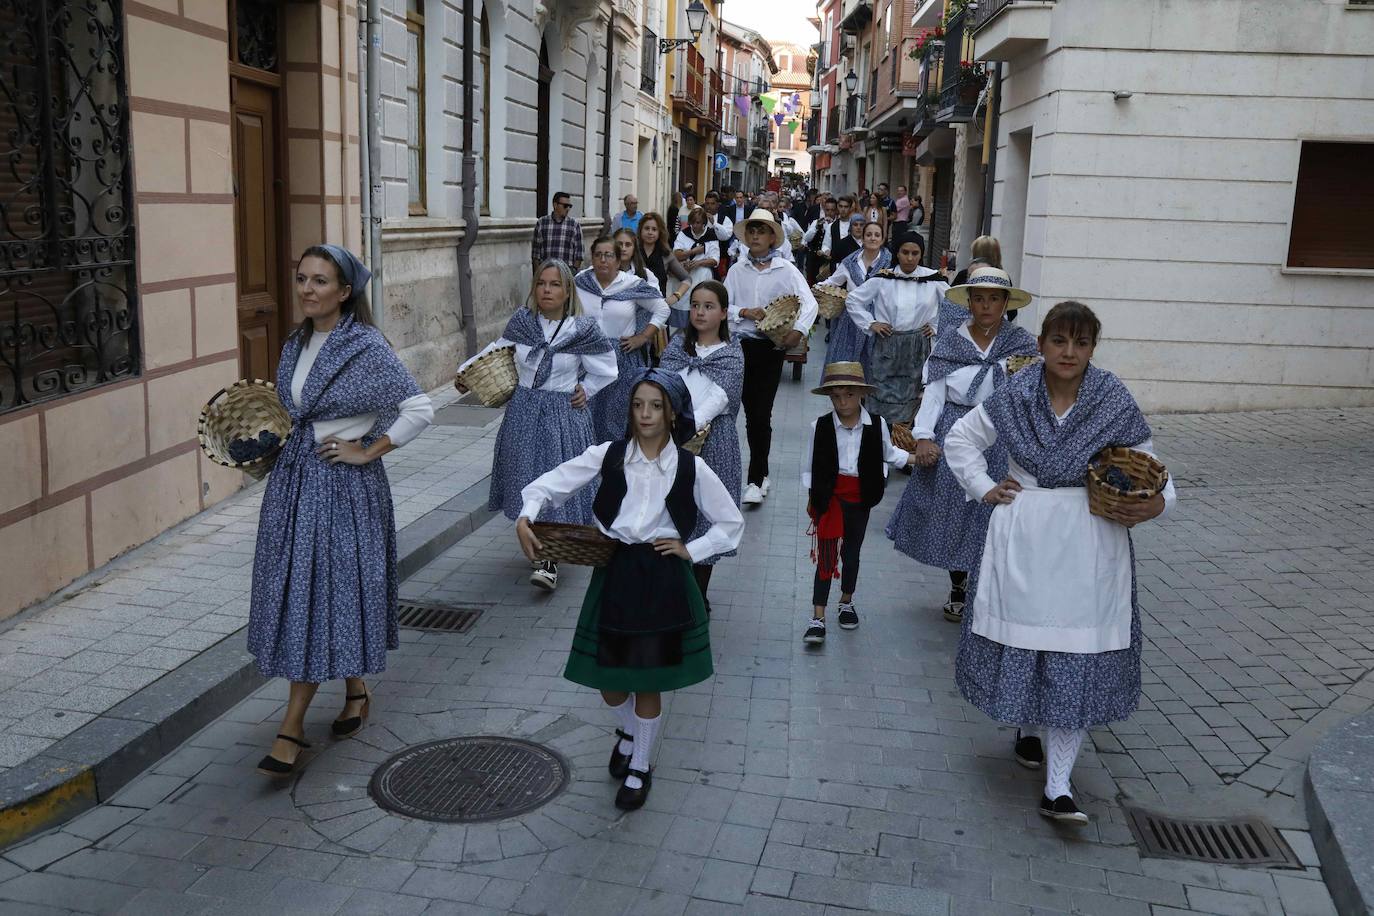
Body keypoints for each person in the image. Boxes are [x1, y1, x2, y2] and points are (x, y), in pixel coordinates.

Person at [944, 300, 1176, 824]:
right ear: (1041, 344)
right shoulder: (1018, 392)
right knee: (1029, 640)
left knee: (1076, 650)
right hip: (1026, 531)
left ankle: (1059, 785)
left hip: (1089, 537)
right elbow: (961, 439)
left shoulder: (1111, 397)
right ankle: (1028, 728)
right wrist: (983, 487)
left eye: (1081, 342)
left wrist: (1157, 504)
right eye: (1059, 341)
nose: (1069, 352)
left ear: (1093, 348)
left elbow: (1155, 469)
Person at [516, 370, 745, 810]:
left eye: (656, 406)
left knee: (647, 681)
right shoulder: (609, 454)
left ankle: (640, 764)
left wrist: (691, 550)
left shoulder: (691, 467)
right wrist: (527, 513)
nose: (645, 414)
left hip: (663, 576)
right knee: (610, 682)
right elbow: (552, 482)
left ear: (672, 413)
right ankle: (628, 731)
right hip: (616, 572)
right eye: (638, 404)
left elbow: (730, 523)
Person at [248, 245, 434, 776]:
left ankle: (290, 729)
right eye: (302, 278)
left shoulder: (365, 346)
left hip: (343, 490)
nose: (307, 289)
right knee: (316, 592)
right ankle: (355, 689)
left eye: (320, 281)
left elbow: (419, 408)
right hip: (294, 486)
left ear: (345, 291)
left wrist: (369, 450)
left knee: (317, 595)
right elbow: (292, 414)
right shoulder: (295, 343)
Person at [885, 267, 1037, 623]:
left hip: (1001, 435)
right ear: (969, 302)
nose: (986, 306)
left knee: (995, 510)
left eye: (994, 299)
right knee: (957, 510)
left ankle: (987, 586)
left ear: (1006, 303)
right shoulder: (951, 342)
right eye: (979, 299)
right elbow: (935, 392)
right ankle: (958, 584)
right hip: (956, 433)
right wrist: (924, 436)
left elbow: (1033, 395)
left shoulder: (1022, 345)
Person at [458, 260, 617, 592]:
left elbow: (607, 368)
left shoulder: (582, 329)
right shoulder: (523, 322)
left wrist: (586, 390)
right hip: (524, 412)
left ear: (567, 291)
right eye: (542, 283)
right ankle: (538, 542)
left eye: (555, 284)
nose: (546, 290)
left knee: (556, 478)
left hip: (562, 415)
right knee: (527, 477)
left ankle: (548, 560)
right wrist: (465, 373)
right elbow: (497, 350)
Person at [801, 362, 916, 646]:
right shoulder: (821, 426)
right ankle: (817, 616)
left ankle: (846, 601)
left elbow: (890, 454)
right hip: (830, 498)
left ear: (861, 394)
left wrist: (916, 459)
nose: (843, 402)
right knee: (826, 557)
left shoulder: (877, 425)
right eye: (836, 396)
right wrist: (813, 499)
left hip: (861, 498)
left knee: (851, 554)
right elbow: (810, 466)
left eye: (849, 395)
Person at [658, 281, 744, 614]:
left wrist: (687, 426)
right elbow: (662, 385)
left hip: (714, 441)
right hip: (673, 438)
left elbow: (720, 398)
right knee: (672, 510)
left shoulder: (732, 353)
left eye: (709, 306)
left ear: (723, 313)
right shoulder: (677, 347)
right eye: (695, 305)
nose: (700, 312)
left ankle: (698, 593)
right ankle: (672, 585)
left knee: (708, 513)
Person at [724, 209, 818, 506]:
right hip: (738, 347)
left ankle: (755, 478)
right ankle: (750, 474)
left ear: (772, 238)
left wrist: (798, 331)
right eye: (751, 231)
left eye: (761, 231)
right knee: (732, 413)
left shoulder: (786, 270)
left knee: (760, 414)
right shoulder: (737, 271)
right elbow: (721, 305)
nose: (755, 236)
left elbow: (810, 303)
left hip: (769, 349)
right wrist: (743, 311)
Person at [845, 230, 948, 428]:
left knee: (915, 396)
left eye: (915, 253)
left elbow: (955, 307)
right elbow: (853, 300)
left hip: (918, 348)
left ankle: (907, 438)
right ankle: (881, 435)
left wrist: (936, 326)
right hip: (887, 346)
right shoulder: (883, 278)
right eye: (905, 252)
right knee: (882, 393)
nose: (910, 258)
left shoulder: (933, 280)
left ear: (921, 254)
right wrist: (871, 323)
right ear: (897, 253)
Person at [576, 236, 670, 441]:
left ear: (618, 261)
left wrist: (643, 337)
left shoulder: (631, 284)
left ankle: (616, 458)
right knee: (585, 414)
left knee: (616, 418)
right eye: (598, 255)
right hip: (586, 359)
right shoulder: (580, 282)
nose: (603, 260)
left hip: (621, 361)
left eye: (608, 255)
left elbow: (662, 309)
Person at [817, 220, 890, 374]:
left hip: (879, 319)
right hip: (850, 319)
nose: (873, 238)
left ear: (882, 239)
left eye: (877, 235)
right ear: (862, 238)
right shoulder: (849, 262)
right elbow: (833, 281)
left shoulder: (890, 263)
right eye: (868, 235)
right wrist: (815, 289)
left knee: (872, 367)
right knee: (845, 365)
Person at [531, 191, 584, 272]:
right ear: (555, 205)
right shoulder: (542, 223)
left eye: (569, 206)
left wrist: (573, 271)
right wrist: (538, 274)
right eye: (565, 206)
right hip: (546, 271)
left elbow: (579, 253)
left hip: (566, 272)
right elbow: (536, 253)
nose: (568, 209)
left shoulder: (574, 225)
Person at [673, 207, 722, 294]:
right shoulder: (683, 234)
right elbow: (676, 254)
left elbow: (715, 260)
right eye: (692, 222)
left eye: (698, 222)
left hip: (703, 275)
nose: (694, 225)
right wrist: (692, 252)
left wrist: (698, 263)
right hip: (685, 273)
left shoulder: (711, 236)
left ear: (704, 222)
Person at [803, 196, 839, 285]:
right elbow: (807, 238)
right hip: (814, 260)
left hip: (830, 262)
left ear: (836, 211)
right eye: (827, 210)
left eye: (832, 210)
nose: (829, 213)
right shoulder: (817, 222)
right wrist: (816, 227)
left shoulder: (838, 225)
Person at [822, 197, 861, 265]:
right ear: (837, 207)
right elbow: (826, 245)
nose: (843, 209)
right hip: (837, 264)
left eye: (846, 207)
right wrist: (826, 251)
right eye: (841, 206)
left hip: (854, 262)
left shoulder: (856, 225)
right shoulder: (831, 226)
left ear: (850, 208)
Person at [889, 185, 912, 252]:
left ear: (905, 192)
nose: (899, 192)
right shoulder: (900, 199)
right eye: (898, 191)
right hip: (899, 224)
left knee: (897, 243)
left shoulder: (903, 200)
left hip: (900, 224)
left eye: (901, 191)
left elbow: (893, 210)